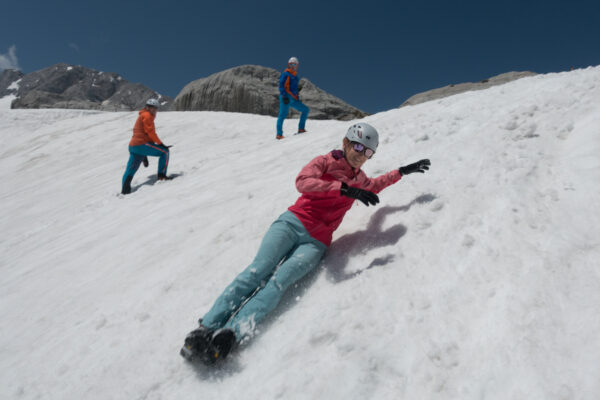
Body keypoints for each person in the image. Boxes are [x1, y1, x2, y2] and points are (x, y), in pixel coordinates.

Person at [181, 122, 431, 364]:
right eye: (357, 147)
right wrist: (342, 189)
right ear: (345, 143)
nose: (361, 155)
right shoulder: (325, 161)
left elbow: (376, 185)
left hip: (315, 242)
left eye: (368, 152)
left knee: (279, 283)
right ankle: (206, 327)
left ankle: (232, 333)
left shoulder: (361, 179)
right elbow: (303, 181)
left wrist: (403, 171)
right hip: (291, 223)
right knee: (257, 271)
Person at [121, 98, 172, 195]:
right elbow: (151, 133)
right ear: (148, 107)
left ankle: (124, 191)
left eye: (156, 108)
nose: (155, 110)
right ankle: (162, 176)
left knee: (131, 169)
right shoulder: (147, 116)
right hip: (141, 145)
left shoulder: (143, 115)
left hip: (134, 146)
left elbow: (145, 135)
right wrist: (161, 144)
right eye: (153, 108)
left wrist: (144, 156)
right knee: (165, 152)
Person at [276, 56, 310, 140]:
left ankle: (301, 128)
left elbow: (293, 88)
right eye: (291, 64)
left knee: (305, 110)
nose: (293, 66)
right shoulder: (286, 74)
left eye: (294, 64)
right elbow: (281, 85)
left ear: (297, 66)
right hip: (286, 97)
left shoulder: (295, 77)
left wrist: (297, 94)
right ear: (288, 65)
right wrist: (284, 96)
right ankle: (279, 134)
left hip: (293, 98)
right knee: (282, 115)